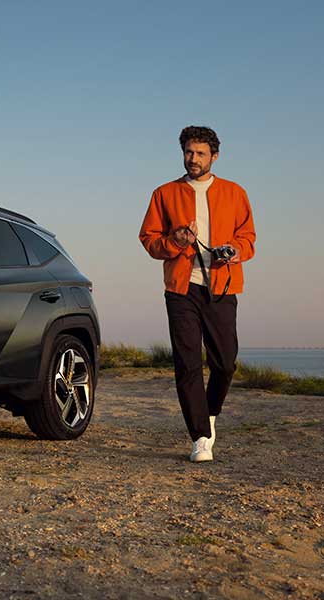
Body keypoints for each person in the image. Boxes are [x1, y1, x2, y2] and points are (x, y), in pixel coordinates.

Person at [139, 126, 256, 462]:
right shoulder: (164, 193)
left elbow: (248, 237)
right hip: (181, 289)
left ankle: (210, 414)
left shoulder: (235, 193)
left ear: (214, 157)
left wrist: (234, 251)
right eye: (189, 152)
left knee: (225, 363)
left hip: (222, 285)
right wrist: (175, 241)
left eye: (200, 153)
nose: (193, 159)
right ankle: (200, 437)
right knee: (187, 363)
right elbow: (149, 240)